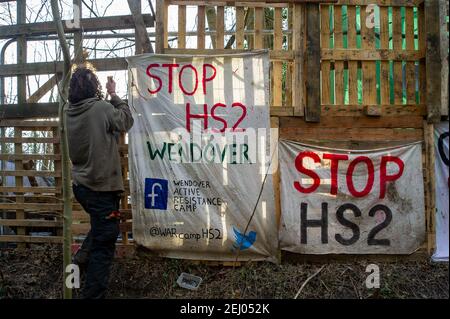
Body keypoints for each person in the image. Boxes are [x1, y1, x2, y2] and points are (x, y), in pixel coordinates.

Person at [67, 66, 134, 299]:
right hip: (101, 189)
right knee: (104, 246)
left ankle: (74, 270)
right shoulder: (102, 108)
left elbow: (97, 121)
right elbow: (125, 121)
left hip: (82, 187)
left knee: (101, 230)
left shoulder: (69, 111)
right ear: (94, 86)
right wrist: (114, 95)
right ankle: (91, 296)